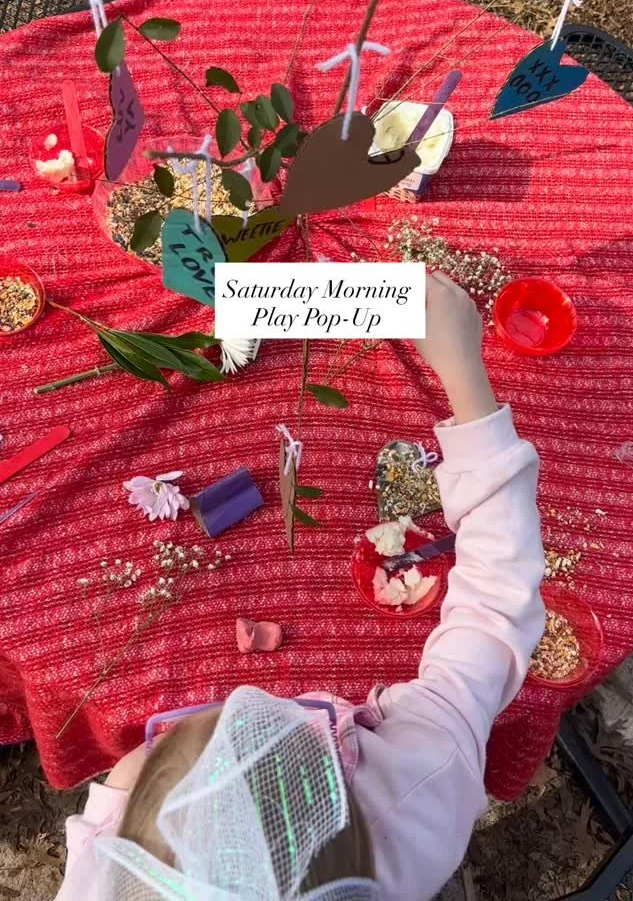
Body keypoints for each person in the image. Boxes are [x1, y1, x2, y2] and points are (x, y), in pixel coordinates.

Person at [56, 272, 545, 901]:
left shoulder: (101, 880)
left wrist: (121, 795)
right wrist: (467, 383)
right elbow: (493, 612)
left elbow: (100, 842)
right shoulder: (419, 793)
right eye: (266, 725)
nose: (239, 701)